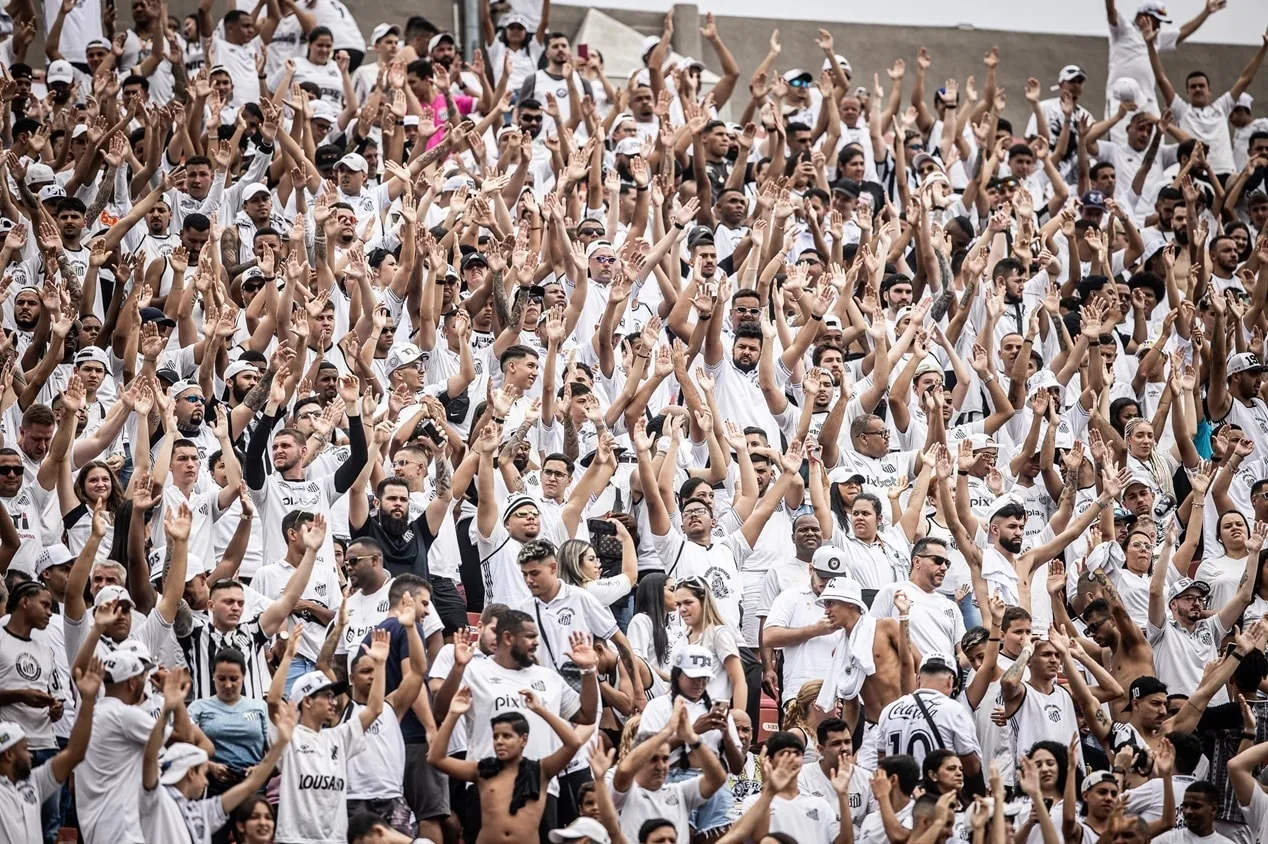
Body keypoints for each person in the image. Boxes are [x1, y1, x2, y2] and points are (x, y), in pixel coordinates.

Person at [265, 625, 390, 844]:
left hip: (335, 839)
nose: (334, 702)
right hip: (294, 839)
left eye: (334, 696)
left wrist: (380, 664)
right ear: (308, 701)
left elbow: (375, 709)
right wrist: (289, 656)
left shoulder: (338, 737)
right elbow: (274, 701)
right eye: (327, 696)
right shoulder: (289, 736)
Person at [429, 683, 583, 844]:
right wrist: (453, 714)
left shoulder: (541, 770)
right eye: (496, 737)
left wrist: (541, 710)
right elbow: (436, 758)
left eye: (507, 736)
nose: (499, 742)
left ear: (523, 740)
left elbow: (573, 743)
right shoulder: (482, 770)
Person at [0, 657, 102, 844]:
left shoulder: (33, 784)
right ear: (9, 754)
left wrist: (87, 701)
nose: (30, 753)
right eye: (24, 749)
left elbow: (73, 754)